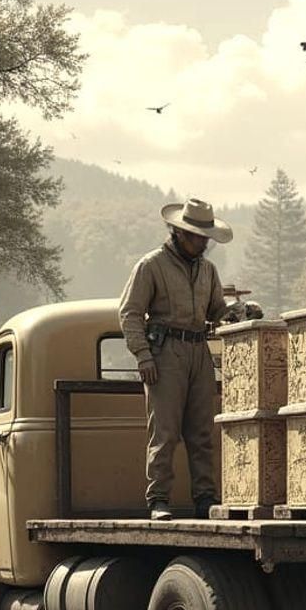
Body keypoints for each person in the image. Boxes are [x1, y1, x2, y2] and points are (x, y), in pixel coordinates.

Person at [119, 198, 235, 521]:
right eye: (198, 237)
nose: (203, 243)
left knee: (202, 432)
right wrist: (143, 355)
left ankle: (205, 498)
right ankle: (158, 499)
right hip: (165, 352)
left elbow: (216, 310)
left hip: (199, 351)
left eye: (205, 237)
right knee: (165, 431)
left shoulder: (208, 270)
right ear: (180, 233)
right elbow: (129, 313)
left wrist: (235, 313)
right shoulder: (151, 265)